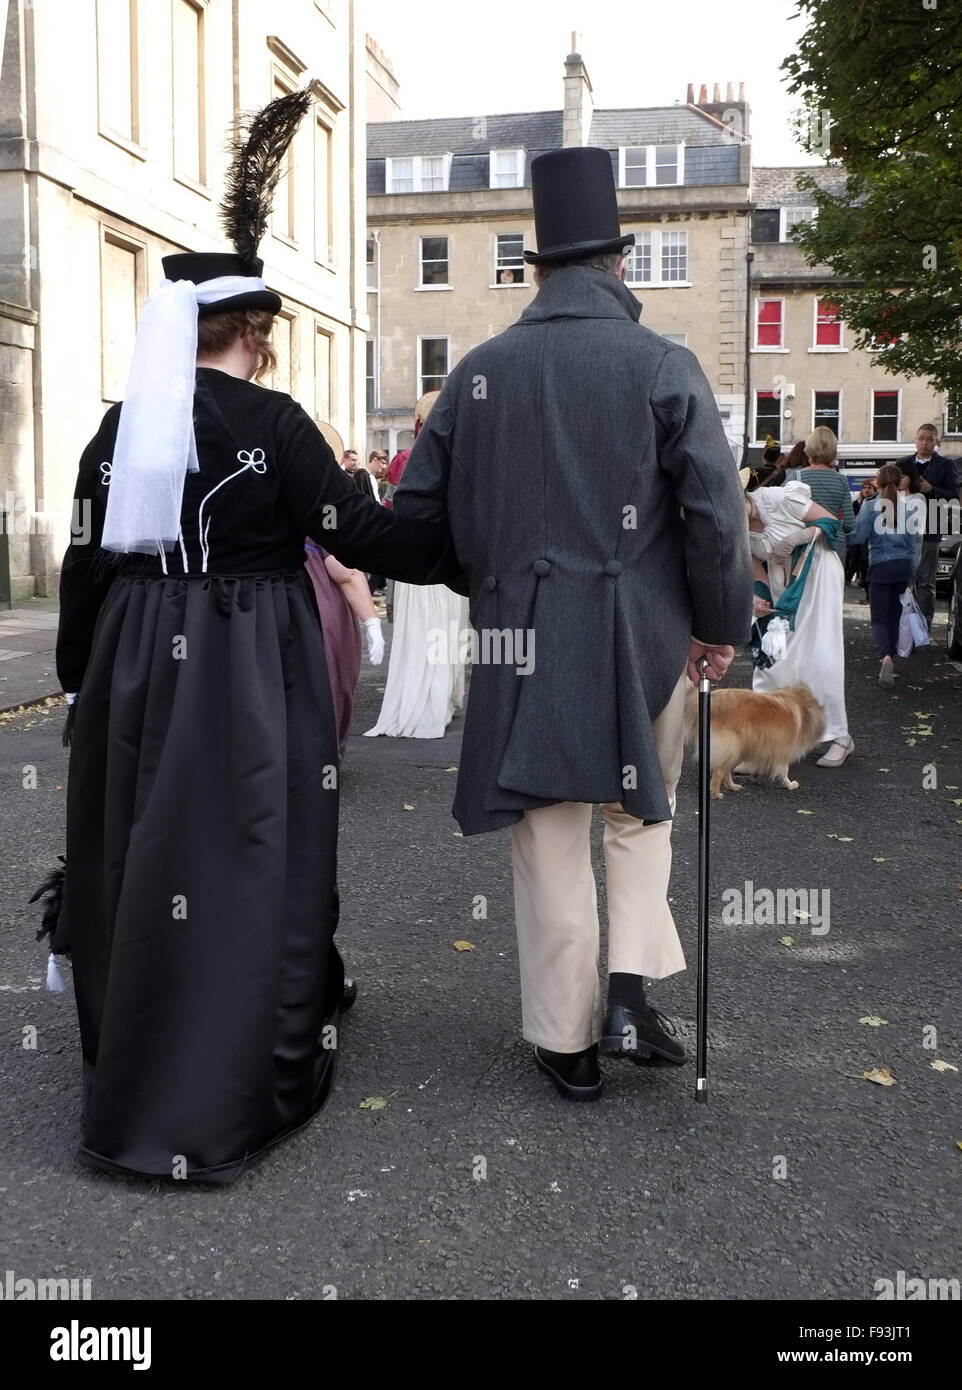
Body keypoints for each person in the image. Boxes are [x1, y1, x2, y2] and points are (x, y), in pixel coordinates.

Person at [45, 88, 459, 1184]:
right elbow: (358, 530)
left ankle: (136, 1062)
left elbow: (84, 561)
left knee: (144, 852)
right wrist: (470, 541)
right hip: (246, 661)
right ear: (257, 333)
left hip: (137, 655)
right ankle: (235, 1068)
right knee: (250, 853)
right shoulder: (275, 425)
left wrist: (79, 677)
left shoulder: (115, 430)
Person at [393, 146, 752, 1101]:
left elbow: (418, 520)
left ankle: (567, 1040)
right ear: (620, 263)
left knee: (549, 829)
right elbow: (716, 512)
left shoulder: (479, 370)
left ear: (536, 267)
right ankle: (631, 995)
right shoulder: (663, 364)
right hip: (646, 634)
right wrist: (719, 626)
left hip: (523, 639)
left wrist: (490, 578)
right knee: (640, 815)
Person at [365, 392, 470, 740]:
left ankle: (429, 702)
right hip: (451, 557)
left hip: (420, 557)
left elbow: (398, 510)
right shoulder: (465, 455)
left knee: (424, 633)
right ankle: (445, 699)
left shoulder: (406, 460)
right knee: (448, 631)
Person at [747, 479, 853, 766]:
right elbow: (758, 574)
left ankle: (839, 736)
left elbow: (832, 523)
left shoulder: (780, 499)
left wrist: (798, 537)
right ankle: (766, 744)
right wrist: (759, 600)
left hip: (818, 574)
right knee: (775, 658)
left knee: (820, 653)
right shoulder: (736, 528)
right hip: (785, 585)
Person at [304, 543, 384, 758]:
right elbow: (347, 574)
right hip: (315, 610)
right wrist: (372, 621)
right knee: (328, 682)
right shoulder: (317, 516)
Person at [847, 463, 925, 686]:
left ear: (877, 483)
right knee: (893, 616)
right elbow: (912, 548)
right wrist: (912, 578)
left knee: (878, 618)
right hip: (902, 568)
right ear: (900, 481)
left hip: (879, 567)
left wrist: (837, 534)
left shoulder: (870, 507)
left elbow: (859, 537)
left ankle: (886, 656)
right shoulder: (908, 509)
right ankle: (891, 653)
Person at [896, 424, 961, 629]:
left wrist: (932, 489)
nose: (924, 443)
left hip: (932, 527)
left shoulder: (946, 465)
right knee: (902, 577)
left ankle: (923, 627)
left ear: (936, 441)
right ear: (915, 439)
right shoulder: (903, 463)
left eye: (929, 439)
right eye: (921, 438)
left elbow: (953, 497)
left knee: (925, 581)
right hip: (904, 528)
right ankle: (901, 623)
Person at [785, 426, 855, 561]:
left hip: (803, 543)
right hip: (835, 544)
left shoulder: (797, 477)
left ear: (809, 448)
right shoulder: (841, 480)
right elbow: (849, 524)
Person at [846, 479, 878, 593]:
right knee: (855, 558)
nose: (866, 490)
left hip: (868, 538)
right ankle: (850, 579)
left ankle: (867, 588)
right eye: (864, 487)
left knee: (865, 561)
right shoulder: (858, 502)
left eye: (869, 488)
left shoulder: (874, 502)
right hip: (858, 536)